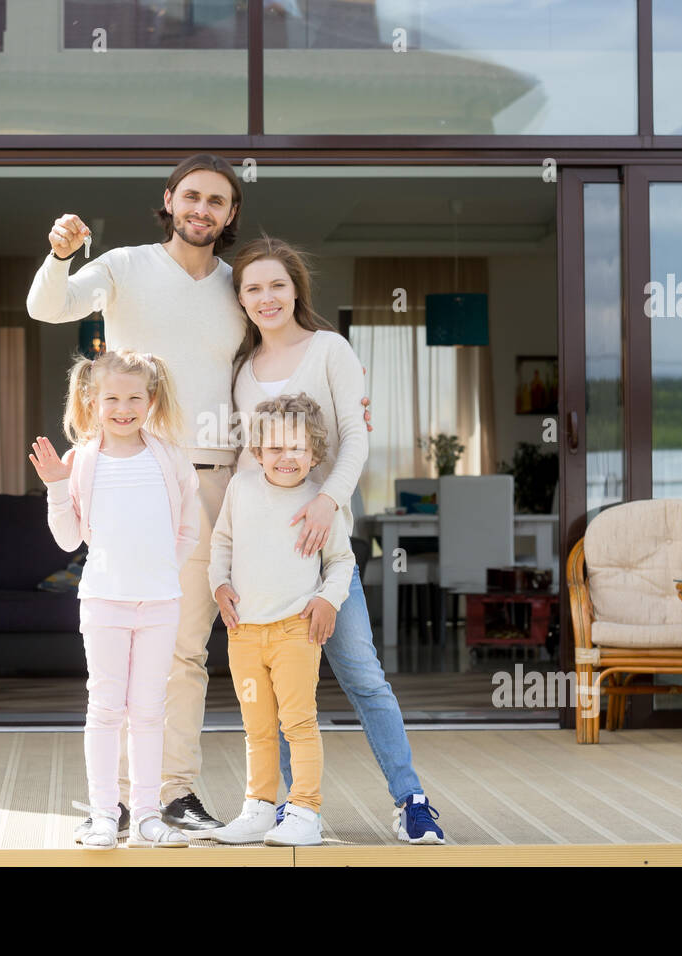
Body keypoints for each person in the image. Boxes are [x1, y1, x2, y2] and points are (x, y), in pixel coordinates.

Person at [25, 155, 371, 835]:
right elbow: (47, 306)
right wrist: (58, 255)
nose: (203, 210)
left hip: (239, 483)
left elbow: (277, 369)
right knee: (157, 645)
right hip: (154, 479)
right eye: (192, 197)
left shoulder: (238, 289)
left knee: (201, 647)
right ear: (170, 201)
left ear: (230, 214)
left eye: (217, 201)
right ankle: (141, 797)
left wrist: (338, 424)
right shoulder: (124, 266)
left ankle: (178, 795)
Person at [228, 236, 446, 844]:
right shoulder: (243, 371)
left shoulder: (330, 349)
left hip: (326, 553)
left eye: (276, 285)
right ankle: (294, 810)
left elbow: (356, 436)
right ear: (241, 300)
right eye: (252, 288)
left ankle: (411, 800)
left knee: (361, 674)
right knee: (281, 692)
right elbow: (250, 462)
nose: (266, 298)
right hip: (266, 565)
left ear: (296, 288)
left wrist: (328, 500)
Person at [28, 349, 197, 849]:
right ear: (92, 400)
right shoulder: (81, 461)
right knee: (105, 708)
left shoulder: (169, 457)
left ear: (151, 400)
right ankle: (105, 813)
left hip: (160, 604)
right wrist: (57, 488)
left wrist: (167, 567)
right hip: (103, 603)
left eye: (134, 398)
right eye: (112, 399)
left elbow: (187, 526)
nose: (124, 408)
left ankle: (147, 815)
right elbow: (66, 540)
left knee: (148, 711)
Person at [205, 394, 353, 846]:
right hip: (244, 633)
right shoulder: (241, 489)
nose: (286, 457)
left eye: (297, 448)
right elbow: (221, 545)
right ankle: (259, 809)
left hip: (295, 631)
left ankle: (305, 812)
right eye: (274, 448)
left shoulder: (322, 501)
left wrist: (329, 599)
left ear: (314, 452)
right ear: (257, 451)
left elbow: (342, 562)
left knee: (299, 724)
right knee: (257, 728)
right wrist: (219, 585)